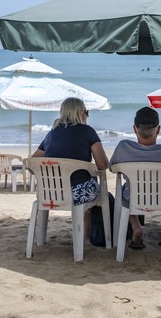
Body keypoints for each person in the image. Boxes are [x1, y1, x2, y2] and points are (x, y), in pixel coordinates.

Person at [109, 107, 161, 250]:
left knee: (123, 191)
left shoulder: (123, 147)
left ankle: (136, 227)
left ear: (135, 129)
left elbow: (112, 168)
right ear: (158, 130)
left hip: (133, 197)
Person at [32, 97, 109, 234]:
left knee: (88, 180)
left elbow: (33, 162)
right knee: (91, 182)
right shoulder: (88, 131)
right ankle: (85, 232)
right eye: (87, 112)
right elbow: (102, 165)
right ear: (80, 112)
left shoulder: (51, 134)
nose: (87, 116)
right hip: (78, 194)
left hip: (50, 193)